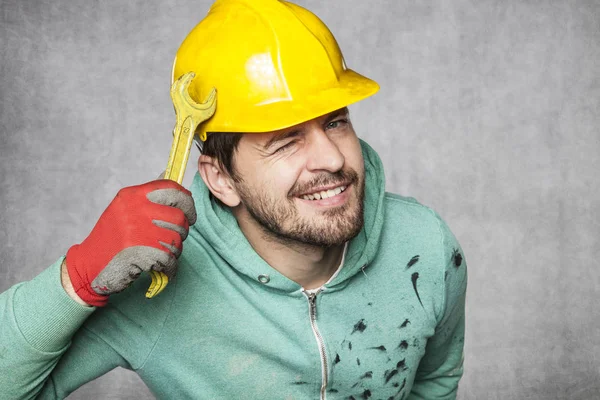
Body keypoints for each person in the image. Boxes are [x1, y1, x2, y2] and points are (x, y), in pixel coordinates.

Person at [0, 0, 467, 399]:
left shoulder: (424, 246)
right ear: (221, 178)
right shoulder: (155, 285)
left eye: (335, 122)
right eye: (286, 141)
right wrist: (76, 279)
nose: (331, 158)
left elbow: (437, 379)